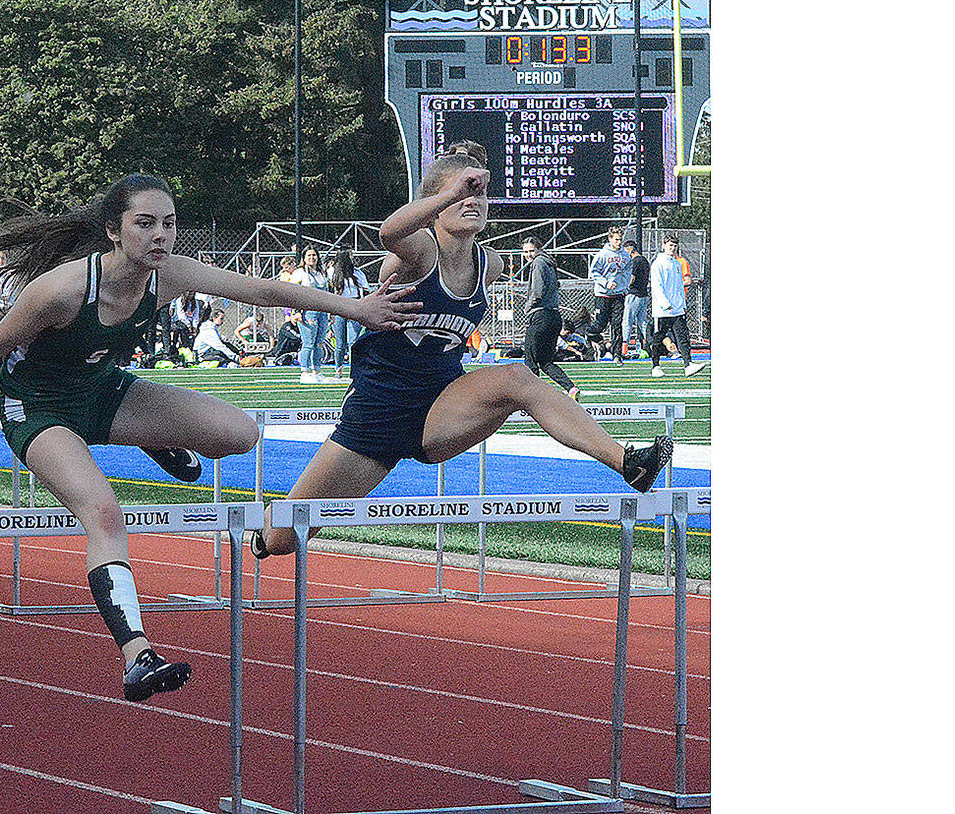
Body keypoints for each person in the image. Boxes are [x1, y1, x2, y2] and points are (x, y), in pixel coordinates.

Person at [0, 174, 418, 701]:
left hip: (105, 391)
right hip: (39, 407)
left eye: (168, 224)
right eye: (145, 224)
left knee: (241, 433)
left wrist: (358, 309)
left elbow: (263, 289)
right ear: (113, 232)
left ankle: (151, 436)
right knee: (103, 512)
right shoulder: (63, 289)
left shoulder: (170, 275)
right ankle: (137, 653)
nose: (160, 236)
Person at [252, 141, 673, 558]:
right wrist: (452, 191)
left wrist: (465, 177)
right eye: (460, 194)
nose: (472, 200)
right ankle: (268, 525)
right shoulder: (417, 253)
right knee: (282, 540)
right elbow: (389, 232)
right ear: (435, 203)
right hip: (376, 414)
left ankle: (627, 463)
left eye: (479, 194)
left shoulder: (489, 264)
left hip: (442, 404)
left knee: (518, 378)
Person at [519, 237, 579, 400]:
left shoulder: (538, 263)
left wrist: (527, 307)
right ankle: (571, 388)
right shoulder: (549, 263)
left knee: (530, 357)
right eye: (525, 252)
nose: (528, 255)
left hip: (541, 315)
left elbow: (537, 292)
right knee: (545, 361)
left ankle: (533, 396)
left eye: (531, 250)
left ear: (538, 249)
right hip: (554, 316)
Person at [648, 236, 707, 378]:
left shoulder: (676, 264)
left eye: (674, 246)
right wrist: (664, 303)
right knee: (658, 338)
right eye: (670, 245)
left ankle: (688, 364)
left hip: (677, 310)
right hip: (662, 311)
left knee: (683, 336)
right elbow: (657, 286)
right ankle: (656, 366)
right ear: (663, 246)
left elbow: (679, 286)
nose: (672, 248)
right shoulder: (658, 264)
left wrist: (682, 304)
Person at [585, 226, 632, 362]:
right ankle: (589, 334)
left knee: (617, 325)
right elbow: (593, 272)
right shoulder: (602, 254)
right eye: (616, 239)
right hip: (603, 294)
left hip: (618, 295)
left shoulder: (625, 255)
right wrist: (605, 283)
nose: (618, 242)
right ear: (610, 239)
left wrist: (624, 285)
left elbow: (627, 270)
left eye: (620, 239)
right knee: (601, 323)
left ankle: (617, 354)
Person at [290, 247, 331, 383]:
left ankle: (317, 371)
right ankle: (305, 371)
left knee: (319, 343)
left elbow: (328, 292)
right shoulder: (299, 272)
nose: (312, 258)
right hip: (307, 311)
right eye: (309, 255)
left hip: (323, 310)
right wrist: (295, 312)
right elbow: (293, 293)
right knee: (308, 342)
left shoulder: (321, 272)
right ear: (304, 258)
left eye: (314, 255)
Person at [328, 249, 370, 380]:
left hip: (354, 306)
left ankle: (354, 370)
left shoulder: (358, 273)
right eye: (350, 257)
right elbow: (328, 290)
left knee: (353, 341)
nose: (353, 259)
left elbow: (365, 290)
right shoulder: (333, 273)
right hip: (339, 307)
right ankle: (338, 368)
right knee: (340, 343)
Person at [621, 239, 650, 359]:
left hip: (634, 295)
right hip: (643, 295)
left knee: (627, 321)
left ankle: (624, 349)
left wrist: (623, 286)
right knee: (643, 323)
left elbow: (631, 279)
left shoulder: (635, 262)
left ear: (629, 250)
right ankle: (650, 345)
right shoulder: (645, 261)